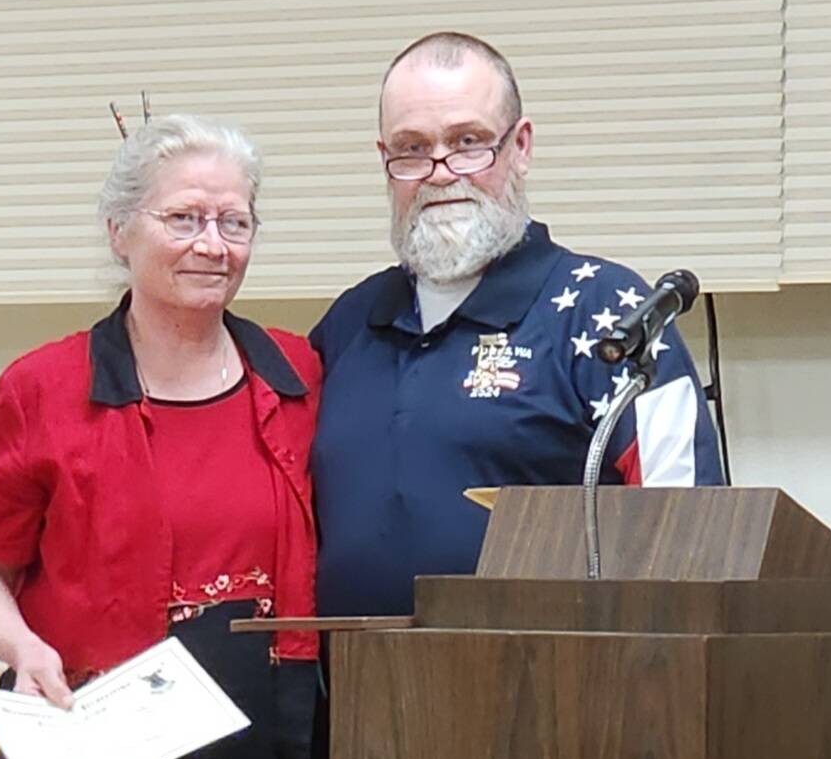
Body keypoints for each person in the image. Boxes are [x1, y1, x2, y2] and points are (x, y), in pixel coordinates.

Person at [0, 114, 321, 759]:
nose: (211, 244)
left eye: (234, 221)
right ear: (119, 230)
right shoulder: (40, 388)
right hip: (91, 752)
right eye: (183, 218)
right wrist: (24, 648)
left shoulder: (299, 374)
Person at [310, 31, 725, 619]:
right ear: (384, 159)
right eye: (411, 149)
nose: (440, 172)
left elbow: (692, 536)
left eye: (469, 142)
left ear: (521, 146)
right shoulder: (349, 322)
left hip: (554, 695)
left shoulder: (610, 312)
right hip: (359, 698)